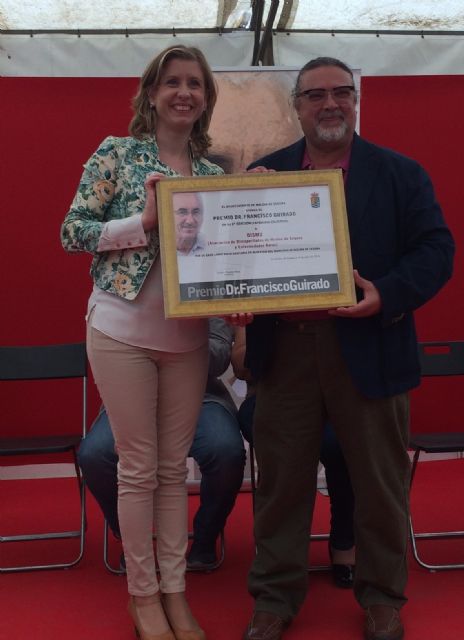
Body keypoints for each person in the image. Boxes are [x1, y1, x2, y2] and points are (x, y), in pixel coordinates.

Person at [241, 57, 455, 640]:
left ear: (356, 100)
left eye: (342, 93)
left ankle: (384, 596)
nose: (330, 104)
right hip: (285, 352)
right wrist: (234, 293)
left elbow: (437, 251)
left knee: (381, 484)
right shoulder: (265, 176)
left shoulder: (399, 174)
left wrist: (385, 294)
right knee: (281, 483)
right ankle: (274, 598)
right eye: (316, 95)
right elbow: (241, 259)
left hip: (371, 347)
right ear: (298, 106)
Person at [61, 45, 224, 640]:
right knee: (137, 469)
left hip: (186, 338)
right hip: (120, 330)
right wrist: (145, 223)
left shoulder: (214, 175)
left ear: (206, 99)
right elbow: (72, 232)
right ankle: (143, 594)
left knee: (173, 470)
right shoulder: (117, 153)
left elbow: (223, 259)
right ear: (151, 92)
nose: (185, 92)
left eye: (196, 85)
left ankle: (176, 591)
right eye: (173, 82)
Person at [78, 317, 246, 572]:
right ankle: (134, 541)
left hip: (202, 397)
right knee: (94, 455)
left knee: (226, 451)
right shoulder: (126, 287)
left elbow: (221, 355)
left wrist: (173, 342)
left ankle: (205, 538)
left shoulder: (197, 281)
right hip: (133, 398)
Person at [231, 326, 355, 588]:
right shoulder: (256, 293)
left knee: (339, 443)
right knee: (281, 444)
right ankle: (279, 558)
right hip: (271, 395)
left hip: (331, 397)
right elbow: (241, 366)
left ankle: (344, 542)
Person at [174, 191, 206, 256]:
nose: (190, 221)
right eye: (182, 212)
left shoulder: (210, 244)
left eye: (196, 212)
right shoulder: (161, 247)